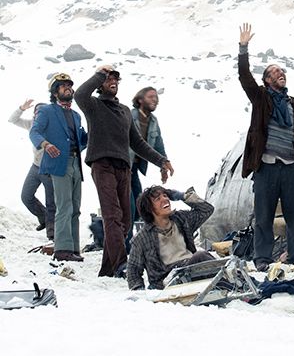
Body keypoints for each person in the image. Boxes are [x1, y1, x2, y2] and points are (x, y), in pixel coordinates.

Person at [75, 65, 174, 277]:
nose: (113, 82)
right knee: (113, 216)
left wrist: (161, 160)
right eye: (108, 79)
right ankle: (122, 264)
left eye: (115, 79)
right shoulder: (93, 105)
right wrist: (100, 74)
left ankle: (108, 269)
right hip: (102, 165)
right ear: (100, 84)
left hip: (123, 168)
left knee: (126, 221)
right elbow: (80, 94)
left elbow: (137, 142)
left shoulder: (124, 112)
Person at [237, 23, 294, 271]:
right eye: (275, 72)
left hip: (290, 167)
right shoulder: (261, 98)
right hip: (267, 166)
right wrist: (243, 48)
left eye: (282, 71)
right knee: (264, 216)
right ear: (267, 80)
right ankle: (262, 259)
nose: (280, 74)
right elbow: (244, 76)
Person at [29, 74, 88, 261]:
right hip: (58, 164)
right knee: (64, 206)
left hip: (76, 163)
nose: (68, 88)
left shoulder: (77, 116)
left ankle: (74, 248)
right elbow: (34, 132)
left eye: (70, 86)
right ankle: (62, 250)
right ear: (55, 92)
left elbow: (82, 141)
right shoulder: (47, 111)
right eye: (63, 86)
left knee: (76, 207)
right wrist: (46, 145)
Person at [126, 185, 214, 290]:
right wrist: (139, 290)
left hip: (191, 268)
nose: (165, 199)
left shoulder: (181, 219)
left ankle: (229, 283)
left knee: (205, 259)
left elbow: (207, 210)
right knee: (201, 255)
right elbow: (133, 269)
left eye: (165, 195)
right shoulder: (142, 238)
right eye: (158, 199)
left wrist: (182, 196)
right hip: (168, 281)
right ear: (149, 208)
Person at [8, 98, 56, 238]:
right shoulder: (32, 124)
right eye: (36, 113)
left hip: (49, 169)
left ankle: (52, 233)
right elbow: (13, 120)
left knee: (51, 202)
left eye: (41, 113)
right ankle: (44, 218)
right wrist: (22, 108)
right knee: (26, 196)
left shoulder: (52, 127)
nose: (38, 115)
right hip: (35, 167)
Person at [128, 87, 168, 236]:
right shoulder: (129, 116)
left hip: (136, 167)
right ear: (140, 100)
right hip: (124, 165)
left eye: (156, 97)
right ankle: (126, 245)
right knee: (130, 205)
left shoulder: (153, 121)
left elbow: (158, 145)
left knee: (140, 203)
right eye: (150, 97)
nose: (155, 99)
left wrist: (163, 165)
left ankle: (137, 240)